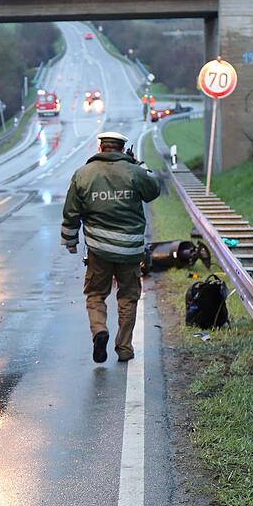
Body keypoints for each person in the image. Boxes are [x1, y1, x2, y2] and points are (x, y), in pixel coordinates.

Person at [60, 131, 160, 363]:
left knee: (95, 294)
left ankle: (99, 331)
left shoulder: (83, 174)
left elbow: (71, 210)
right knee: (128, 296)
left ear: (100, 148)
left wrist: (70, 240)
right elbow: (153, 189)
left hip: (98, 250)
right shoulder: (134, 172)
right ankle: (124, 348)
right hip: (130, 251)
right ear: (123, 149)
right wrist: (139, 163)